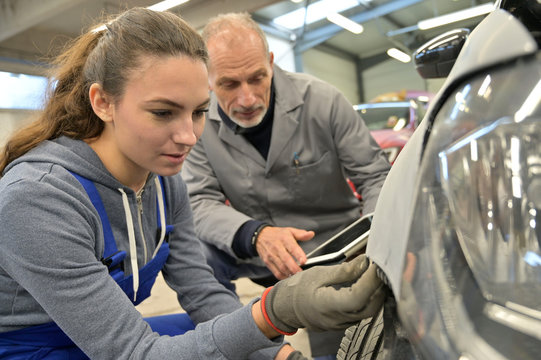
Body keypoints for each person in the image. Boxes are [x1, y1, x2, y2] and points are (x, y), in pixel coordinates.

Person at [0, 7, 385, 360]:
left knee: (221, 335)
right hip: (30, 351)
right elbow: (136, 353)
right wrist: (274, 311)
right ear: (103, 102)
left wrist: (281, 356)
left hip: (96, 340)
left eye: (200, 111)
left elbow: (203, 295)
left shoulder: (164, 185)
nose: (189, 136)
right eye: (163, 112)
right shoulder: (39, 199)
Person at [181, 12, 391, 359]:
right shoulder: (198, 123)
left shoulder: (323, 101)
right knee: (199, 256)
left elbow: (374, 176)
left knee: (339, 346)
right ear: (208, 78)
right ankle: (249, 346)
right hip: (255, 250)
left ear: (271, 63)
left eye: (257, 78)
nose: (247, 98)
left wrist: (376, 244)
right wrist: (257, 235)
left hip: (331, 248)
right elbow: (199, 201)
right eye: (229, 84)